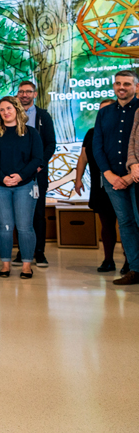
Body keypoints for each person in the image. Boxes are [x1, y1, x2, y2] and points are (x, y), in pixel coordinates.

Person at [0, 97, 43, 279]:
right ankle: (5, 264)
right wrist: (3, 177)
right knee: (5, 227)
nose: (5, 112)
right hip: (0, 186)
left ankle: (26, 265)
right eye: (2, 110)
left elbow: (37, 159)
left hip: (25, 185)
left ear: (17, 109)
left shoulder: (32, 133)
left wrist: (20, 176)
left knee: (25, 227)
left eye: (9, 108)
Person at [94, 70, 139, 286]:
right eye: (118, 83)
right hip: (112, 181)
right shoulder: (104, 113)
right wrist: (108, 174)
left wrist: (130, 176)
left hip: (137, 178)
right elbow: (97, 145)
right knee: (126, 224)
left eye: (127, 84)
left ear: (135, 87)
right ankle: (135, 269)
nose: (122, 87)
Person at [75, 99, 120, 272]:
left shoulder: (124, 131)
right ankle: (108, 260)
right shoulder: (92, 133)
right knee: (106, 224)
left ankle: (130, 262)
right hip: (99, 186)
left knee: (126, 225)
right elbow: (83, 157)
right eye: (101, 111)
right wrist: (78, 179)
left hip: (121, 184)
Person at [14, 81, 56, 267]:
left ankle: (39, 252)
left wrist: (38, 164)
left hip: (37, 173)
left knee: (37, 213)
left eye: (28, 92)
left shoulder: (43, 116)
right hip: (16, 175)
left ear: (35, 94)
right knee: (18, 214)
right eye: (21, 92)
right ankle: (22, 251)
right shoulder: (10, 115)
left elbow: (50, 144)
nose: (24, 95)